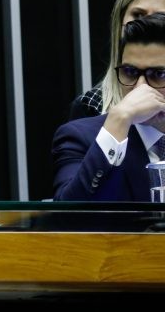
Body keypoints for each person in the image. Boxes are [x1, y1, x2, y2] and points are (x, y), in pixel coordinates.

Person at [52, 12, 165, 201]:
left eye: (159, 74)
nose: (140, 87)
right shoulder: (80, 137)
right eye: (130, 72)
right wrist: (119, 120)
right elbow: (67, 218)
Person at [69, 0, 165, 120]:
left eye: (159, 17)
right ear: (119, 23)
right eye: (138, 15)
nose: (146, 23)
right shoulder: (91, 105)